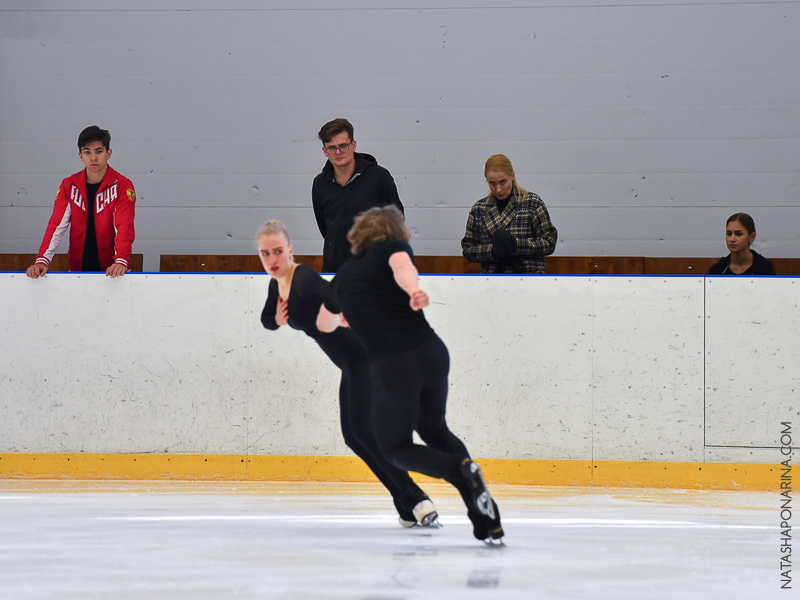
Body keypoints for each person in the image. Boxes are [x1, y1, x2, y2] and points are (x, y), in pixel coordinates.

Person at [317, 206, 504, 544]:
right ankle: (484, 514)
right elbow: (402, 268)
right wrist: (413, 290)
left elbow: (323, 324)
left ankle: (460, 470)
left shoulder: (343, 277)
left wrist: (346, 317)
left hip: (394, 365)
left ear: (358, 239)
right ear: (393, 233)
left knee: (395, 448)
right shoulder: (393, 247)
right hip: (432, 352)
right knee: (434, 429)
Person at [257, 220, 438, 528]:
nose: (272, 260)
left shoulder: (303, 278)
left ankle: (415, 498)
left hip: (366, 357)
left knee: (364, 434)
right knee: (355, 437)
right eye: (265, 254)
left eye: (277, 251)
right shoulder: (277, 284)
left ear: (290, 250)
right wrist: (275, 317)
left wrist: (347, 316)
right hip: (352, 363)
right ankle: (406, 503)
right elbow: (266, 320)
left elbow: (336, 292)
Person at [26, 125, 136, 279]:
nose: (93, 158)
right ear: (80, 155)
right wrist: (43, 260)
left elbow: (124, 225)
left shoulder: (122, 185)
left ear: (108, 153)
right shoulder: (69, 185)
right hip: (77, 272)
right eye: (87, 152)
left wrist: (121, 260)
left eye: (99, 151)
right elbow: (57, 224)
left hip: (115, 271)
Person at [312, 118, 403, 273]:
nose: (338, 152)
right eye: (332, 148)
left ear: (353, 145)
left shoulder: (379, 177)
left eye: (343, 146)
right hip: (335, 271)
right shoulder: (320, 184)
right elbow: (326, 228)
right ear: (325, 151)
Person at [461, 154, 557, 274]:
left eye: (503, 182)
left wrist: (517, 245)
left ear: (513, 176)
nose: (498, 189)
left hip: (529, 279)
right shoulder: (479, 210)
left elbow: (549, 242)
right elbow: (468, 249)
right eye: (492, 183)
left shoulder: (532, 203)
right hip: (492, 282)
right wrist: (492, 251)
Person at [708, 213, 776, 275]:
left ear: (752, 236)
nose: (732, 239)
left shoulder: (764, 269)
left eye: (738, 234)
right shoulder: (718, 270)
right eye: (729, 234)